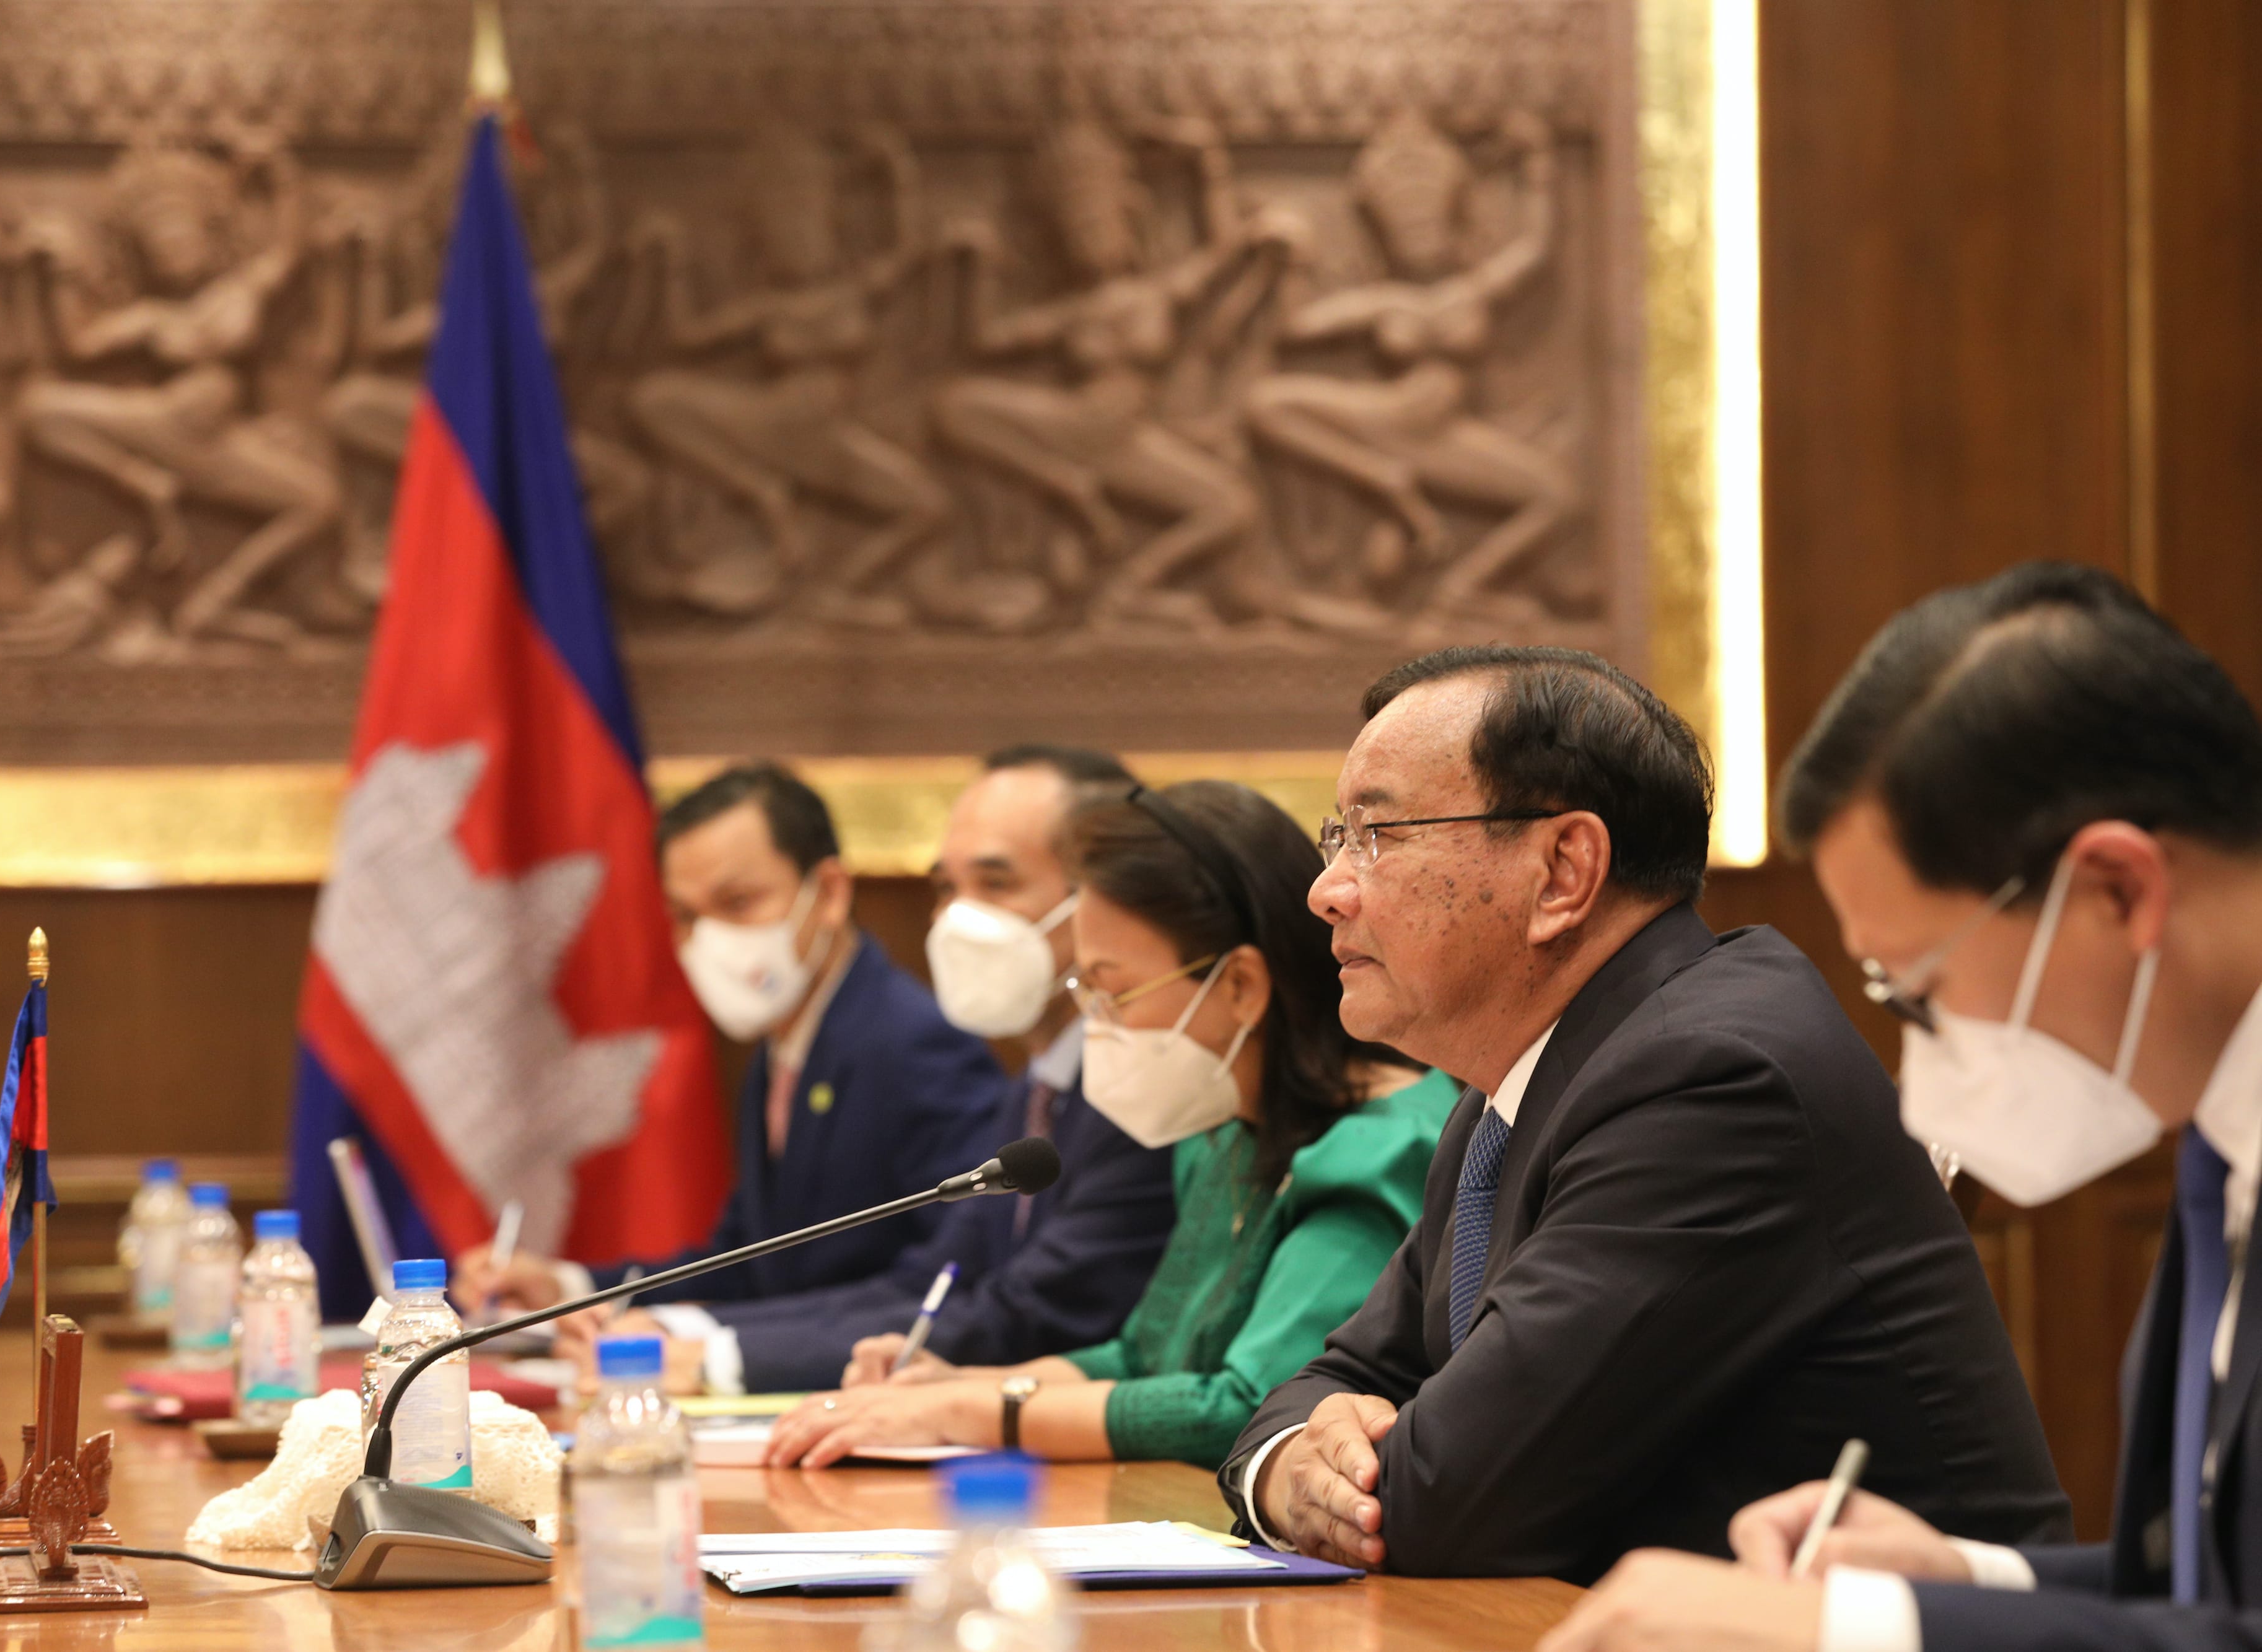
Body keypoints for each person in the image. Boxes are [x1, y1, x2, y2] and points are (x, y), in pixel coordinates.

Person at [1221, 644, 2069, 1583]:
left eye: (1379, 836)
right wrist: (1286, 1465)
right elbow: (1329, 1379)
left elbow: (1450, 1500)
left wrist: (1342, 1467)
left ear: (1564, 870)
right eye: (1337, 839)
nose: (1327, 888)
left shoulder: (1710, 1079)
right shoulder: (1515, 1088)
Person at [1542, 564, 2262, 1651]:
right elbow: (2209, 1588)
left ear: (2117, 888)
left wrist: (1865, 1632)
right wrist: (1956, 1573)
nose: (1921, 1067)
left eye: (1918, 991)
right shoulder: (2220, 1135)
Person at [761, 779, 1460, 1469]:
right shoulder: (1223, 1135)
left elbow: (1252, 1405)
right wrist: (954, 1383)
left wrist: (972, 1413)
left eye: (1114, 992)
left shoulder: (1379, 1149)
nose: (1097, 1026)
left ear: (1241, 986)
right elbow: (1141, 1357)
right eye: (1085, 992)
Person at [457, 761, 1010, 1391]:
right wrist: (571, 1290)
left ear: (828, 893)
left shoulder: (912, 1043)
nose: (709, 939)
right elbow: (750, 1262)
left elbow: (950, 1279)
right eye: (688, 916)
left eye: (738, 903)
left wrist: (712, 1349)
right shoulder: (787, 1047)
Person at [695, 745, 1180, 1391]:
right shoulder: (1038, 1086)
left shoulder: (1150, 1088)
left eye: (996, 884)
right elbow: (932, 1281)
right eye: (947, 888)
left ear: (1105, 897)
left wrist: (719, 1360)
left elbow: (1039, 1312)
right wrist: (702, 1340)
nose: (957, 918)